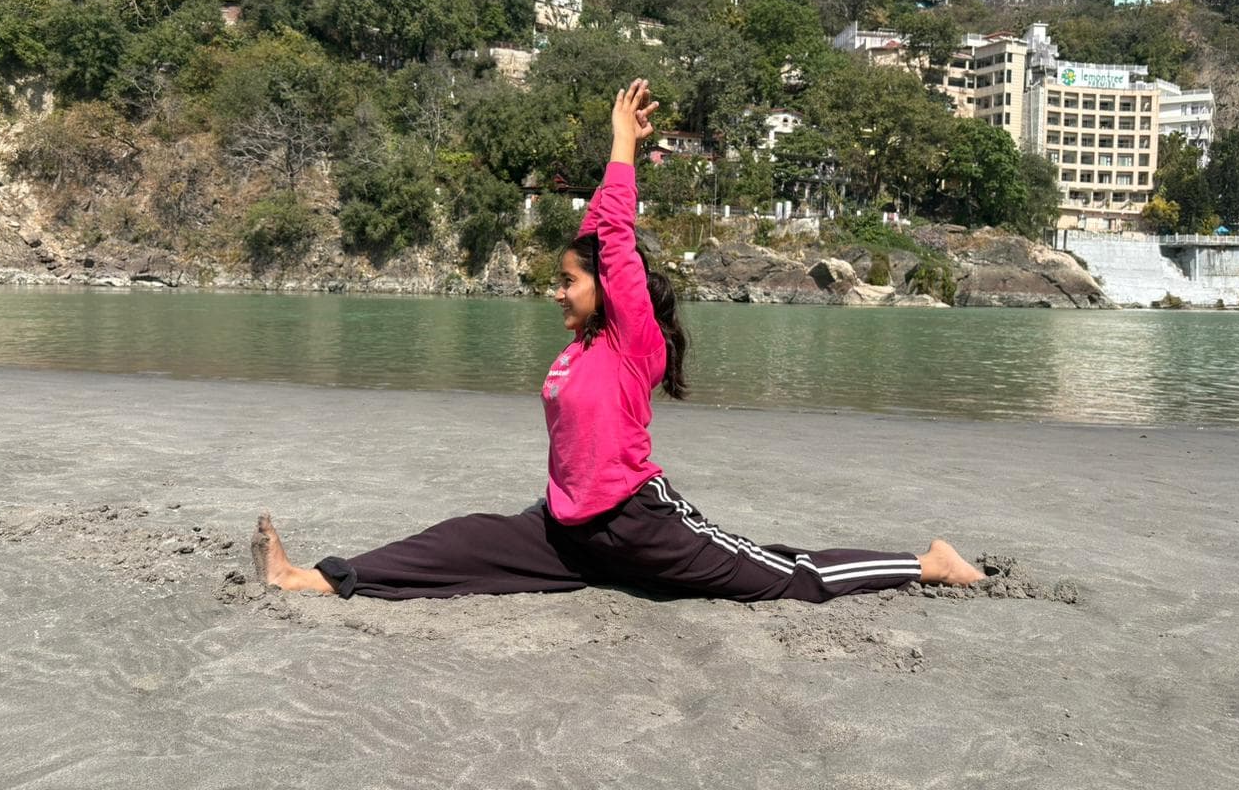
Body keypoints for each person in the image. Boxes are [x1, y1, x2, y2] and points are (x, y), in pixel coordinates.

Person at [251, 79, 984, 601]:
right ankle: (308, 577)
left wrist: (621, 144)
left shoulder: (633, 343)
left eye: (568, 281)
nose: (557, 291)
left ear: (608, 288)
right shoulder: (574, 353)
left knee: (779, 574)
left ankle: (927, 564)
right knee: (457, 542)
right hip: (565, 532)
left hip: (638, 524)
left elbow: (613, 233)